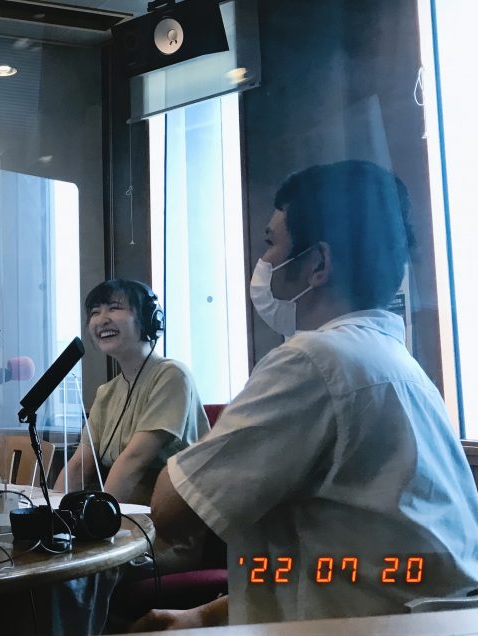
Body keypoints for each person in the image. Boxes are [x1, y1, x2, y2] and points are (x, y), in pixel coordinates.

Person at [145, 161, 478, 628]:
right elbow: (340, 566)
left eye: (271, 244)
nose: (264, 264)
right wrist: (202, 615)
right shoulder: (395, 363)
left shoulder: (313, 360)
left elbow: (171, 511)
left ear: (317, 263)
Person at [55, 279, 210, 506]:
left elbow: (135, 460)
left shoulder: (172, 376)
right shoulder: (106, 392)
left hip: (171, 512)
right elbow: (80, 465)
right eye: (95, 312)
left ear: (148, 319)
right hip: (126, 508)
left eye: (114, 308)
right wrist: (54, 514)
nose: (101, 319)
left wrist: (101, 517)